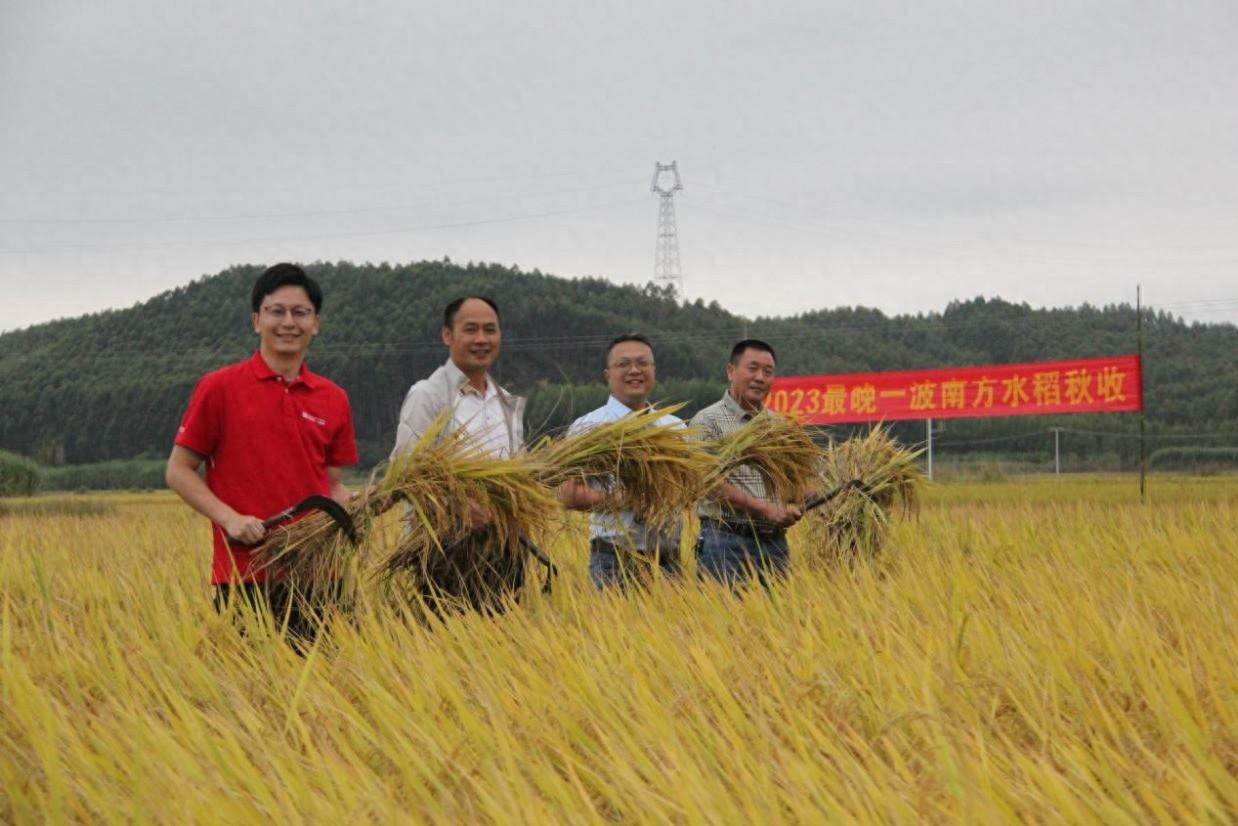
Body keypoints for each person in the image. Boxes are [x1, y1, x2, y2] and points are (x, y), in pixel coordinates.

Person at [166, 263, 358, 642]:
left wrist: (357, 503)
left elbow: (332, 486)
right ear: (257, 321)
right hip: (245, 574)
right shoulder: (219, 388)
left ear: (315, 323)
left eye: (300, 313)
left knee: (329, 692)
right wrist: (230, 518)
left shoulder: (333, 398)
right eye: (276, 311)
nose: (289, 322)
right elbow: (179, 470)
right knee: (248, 693)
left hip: (321, 575)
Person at [390, 296, 528, 610]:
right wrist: (456, 507)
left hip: (504, 553)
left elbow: (517, 473)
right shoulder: (428, 396)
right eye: (471, 330)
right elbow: (405, 475)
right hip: (445, 556)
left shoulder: (506, 403)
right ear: (448, 336)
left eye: (490, 330)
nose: (482, 339)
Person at [558, 333, 684, 588]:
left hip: (668, 561)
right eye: (624, 364)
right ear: (608, 375)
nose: (634, 371)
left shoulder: (675, 428)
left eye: (642, 363)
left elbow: (691, 488)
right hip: (613, 560)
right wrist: (623, 499)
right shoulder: (589, 427)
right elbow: (568, 494)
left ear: (654, 370)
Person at [691, 339, 802, 587]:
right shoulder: (707, 421)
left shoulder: (779, 427)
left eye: (768, 372)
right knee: (722, 623)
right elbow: (708, 484)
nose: (760, 378)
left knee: (779, 623)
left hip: (774, 545)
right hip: (725, 543)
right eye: (752, 369)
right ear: (731, 371)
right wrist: (766, 510)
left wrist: (800, 500)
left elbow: (793, 482)